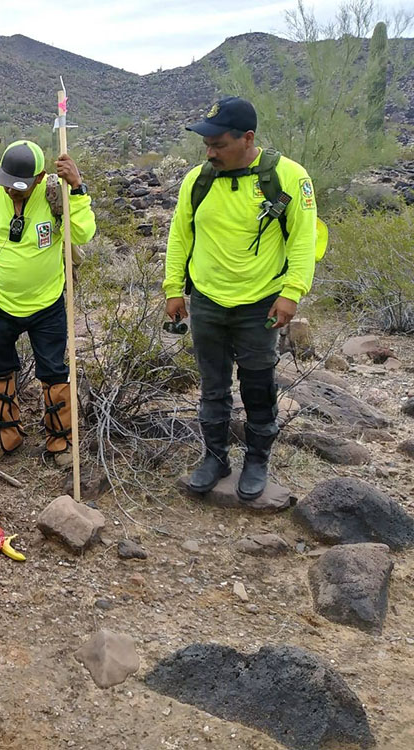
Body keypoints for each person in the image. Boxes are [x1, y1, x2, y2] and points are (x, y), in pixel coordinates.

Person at [164, 96, 317, 501]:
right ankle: (215, 457)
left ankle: (256, 460)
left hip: (260, 304)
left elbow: (304, 239)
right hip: (209, 303)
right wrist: (173, 289)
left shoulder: (288, 176)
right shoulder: (198, 180)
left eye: (219, 144)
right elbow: (180, 235)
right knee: (212, 386)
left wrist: (292, 293)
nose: (210, 152)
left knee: (257, 383)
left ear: (248, 138)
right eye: (207, 145)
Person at [0, 139, 96, 468]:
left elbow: (82, 234)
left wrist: (78, 188)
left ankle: (60, 441)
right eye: (9, 185)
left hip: (48, 304)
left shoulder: (56, 194)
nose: (13, 192)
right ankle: (6, 435)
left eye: (21, 188)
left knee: (54, 373)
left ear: (40, 178)